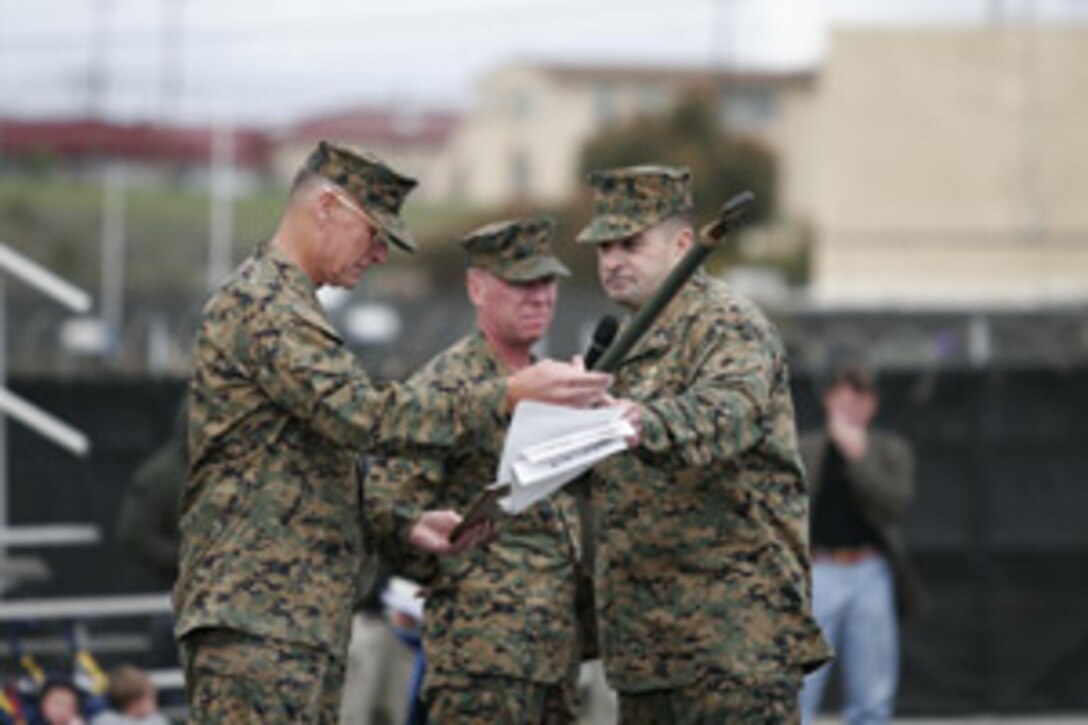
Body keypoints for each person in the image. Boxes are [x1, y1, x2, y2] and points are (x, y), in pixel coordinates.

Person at [173, 141, 614, 723]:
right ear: (327, 208)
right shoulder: (263, 304)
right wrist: (508, 396)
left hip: (291, 613)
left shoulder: (290, 307)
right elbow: (364, 417)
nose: (379, 253)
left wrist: (408, 524)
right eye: (373, 233)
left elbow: (308, 457)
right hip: (259, 616)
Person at [575, 165, 832, 722]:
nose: (612, 260)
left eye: (630, 244)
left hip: (731, 645)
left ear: (683, 245)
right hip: (646, 650)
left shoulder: (727, 324)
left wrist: (636, 419)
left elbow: (727, 415)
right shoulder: (623, 346)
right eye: (603, 248)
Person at [364, 216, 590, 723]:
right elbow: (385, 505)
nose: (540, 296)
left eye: (547, 281)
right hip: (483, 661)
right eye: (521, 283)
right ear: (477, 288)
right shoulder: (447, 386)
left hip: (553, 652)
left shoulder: (545, 380)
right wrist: (449, 572)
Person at [798, 365, 924, 724]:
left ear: (873, 405)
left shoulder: (889, 450)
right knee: (802, 682)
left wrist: (858, 458)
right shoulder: (806, 448)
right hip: (818, 571)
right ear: (829, 400)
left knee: (873, 687)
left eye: (862, 398)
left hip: (870, 571)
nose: (854, 405)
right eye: (846, 397)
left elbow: (895, 505)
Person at [117, 397, 186, 670]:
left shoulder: (236, 468)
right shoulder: (161, 474)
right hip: (171, 591)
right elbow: (135, 534)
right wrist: (185, 561)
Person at [89, 666, 168, 725]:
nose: (155, 705)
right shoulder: (104, 721)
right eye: (150, 699)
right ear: (133, 703)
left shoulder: (157, 720)